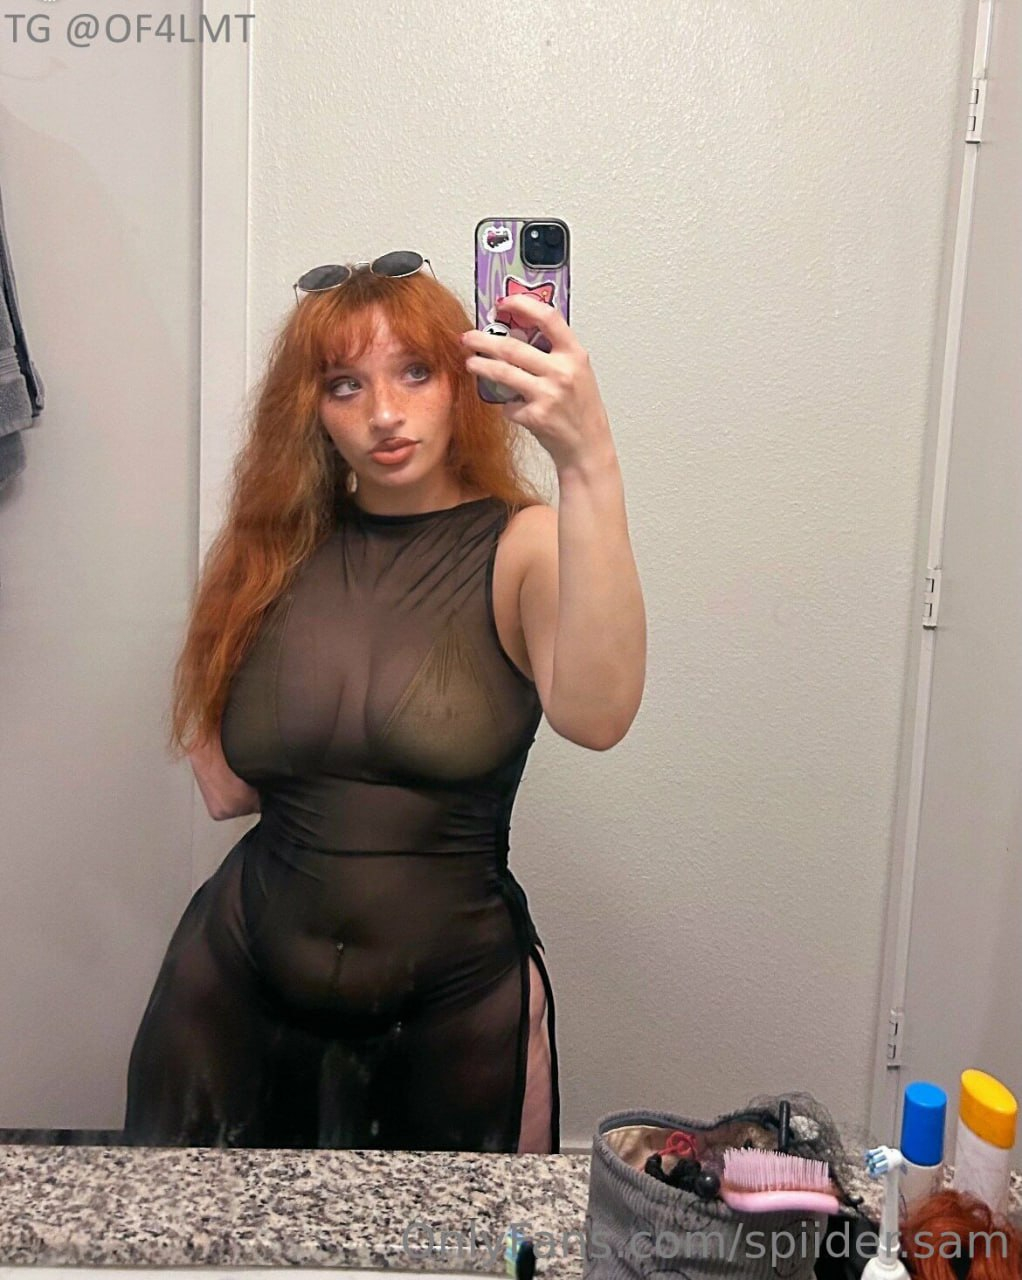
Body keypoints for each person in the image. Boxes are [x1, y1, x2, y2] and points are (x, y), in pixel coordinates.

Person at [123, 253, 646, 1151]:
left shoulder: (522, 544)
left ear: (465, 381)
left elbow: (597, 718)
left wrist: (587, 457)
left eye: (415, 372)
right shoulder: (268, 553)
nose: (385, 414)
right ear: (311, 410)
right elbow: (225, 786)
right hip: (231, 998)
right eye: (345, 385)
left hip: (452, 1017)